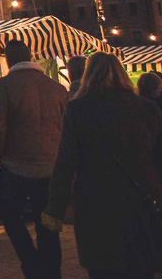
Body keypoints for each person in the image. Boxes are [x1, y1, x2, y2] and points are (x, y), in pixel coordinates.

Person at [43, 53, 162, 278]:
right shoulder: (147, 108)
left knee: (103, 265)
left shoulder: (78, 109)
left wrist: (55, 209)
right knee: (140, 264)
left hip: (95, 200)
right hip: (140, 198)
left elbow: (66, 162)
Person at [0, 39, 68, 279]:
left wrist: (0, 157)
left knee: (10, 215)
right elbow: (66, 128)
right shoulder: (57, 88)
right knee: (48, 222)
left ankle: (31, 263)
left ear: (8, 60)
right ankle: (51, 270)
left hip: (15, 164)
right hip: (51, 164)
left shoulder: (5, 86)